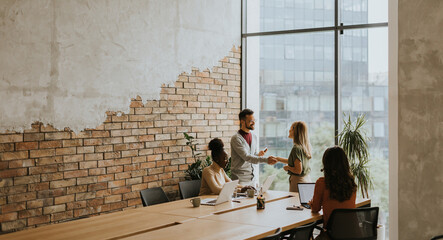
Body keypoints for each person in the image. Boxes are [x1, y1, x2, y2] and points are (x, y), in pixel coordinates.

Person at [308, 146, 357, 240]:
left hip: (331, 236)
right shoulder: (351, 183)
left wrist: (312, 204)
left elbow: (315, 209)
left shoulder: (322, 182)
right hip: (352, 234)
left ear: (326, 164)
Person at [231, 109, 277, 186]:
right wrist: (266, 160)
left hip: (253, 179)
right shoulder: (236, 138)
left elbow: (252, 155)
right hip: (240, 180)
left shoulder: (254, 136)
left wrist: (258, 154)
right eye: (251, 121)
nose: (254, 123)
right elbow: (246, 157)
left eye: (254, 120)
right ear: (242, 121)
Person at [276, 121, 312, 192]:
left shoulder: (296, 148)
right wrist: (278, 159)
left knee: (295, 202)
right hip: (306, 180)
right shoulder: (304, 147)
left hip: (298, 182)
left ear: (295, 131)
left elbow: (298, 170)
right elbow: (295, 161)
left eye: (291, 128)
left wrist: (288, 168)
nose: (289, 130)